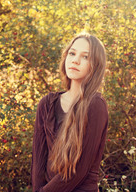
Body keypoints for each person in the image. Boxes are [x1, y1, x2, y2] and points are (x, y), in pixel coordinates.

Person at [31, 32, 108, 192]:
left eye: (85, 57)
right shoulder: (47, 103)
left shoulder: (95, 105)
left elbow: (79, 170)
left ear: (96, 64)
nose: (75, 60)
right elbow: (38, 161)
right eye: (72, 53)